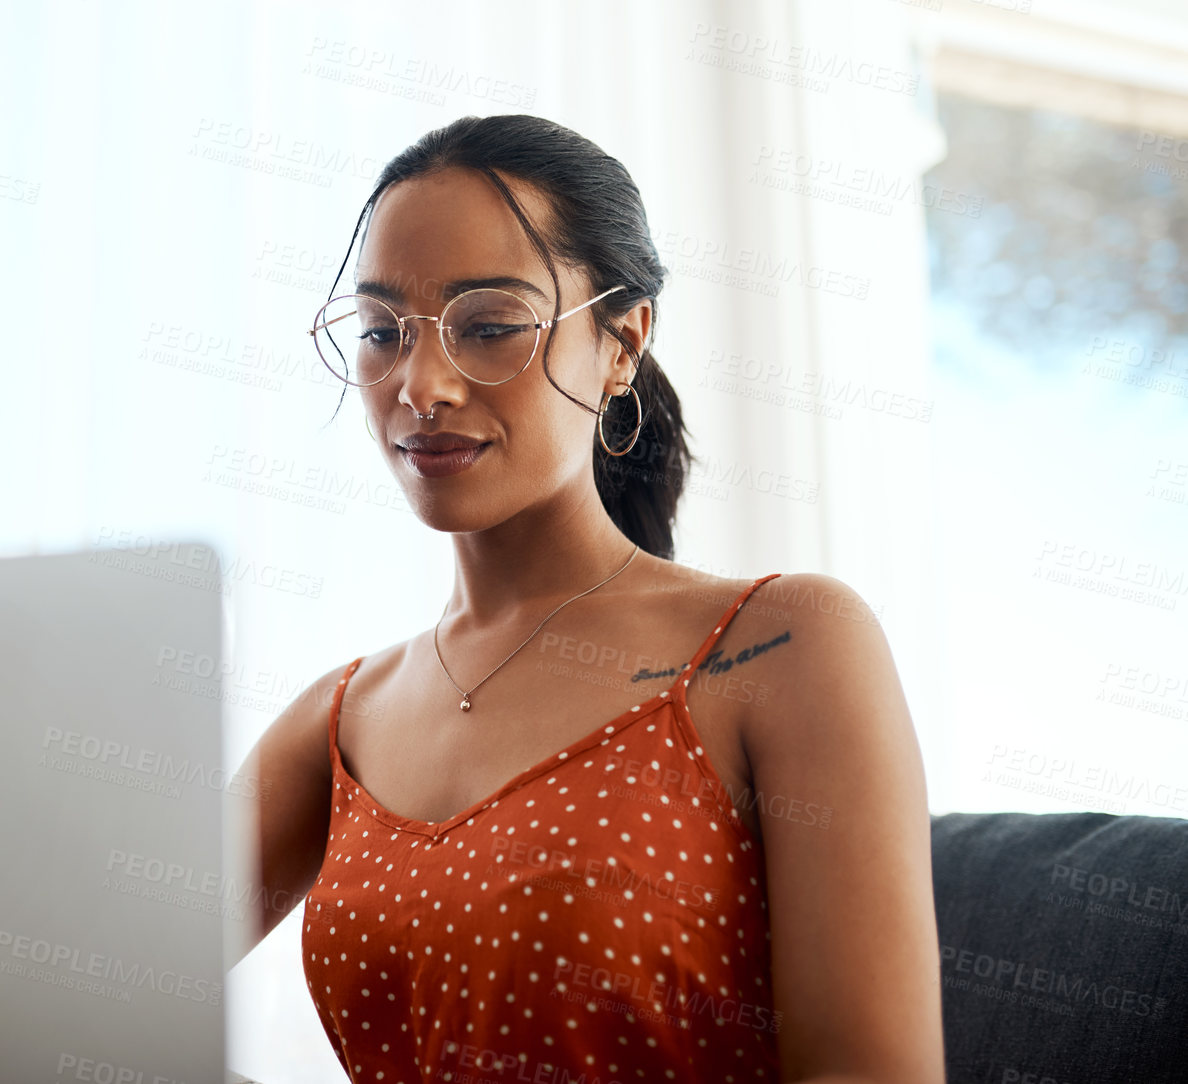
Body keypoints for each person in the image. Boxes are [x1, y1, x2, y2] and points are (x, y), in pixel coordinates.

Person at [236, 115, 943, 1083]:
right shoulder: (336, 721)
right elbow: (73, 966)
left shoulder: (783, 648)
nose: (421, 384)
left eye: (487, 326)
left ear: (621, 341)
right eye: (379, 333)